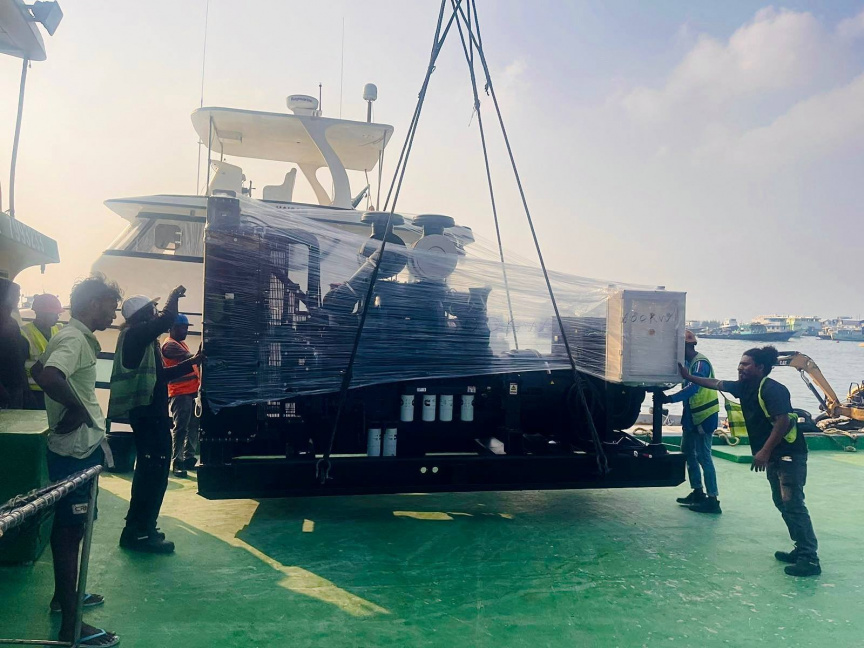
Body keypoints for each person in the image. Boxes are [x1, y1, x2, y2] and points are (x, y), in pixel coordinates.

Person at [31, 274, 122, 647]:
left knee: (71, 528)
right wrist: (79, 408)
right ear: (93, 303)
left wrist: (74, 405)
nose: (113, 315)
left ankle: (63, 597)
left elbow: (37, 369)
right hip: (76, 451)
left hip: (75, 448)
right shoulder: (74, 339)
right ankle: (71, 625)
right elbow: (50, 376)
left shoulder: (68, 336)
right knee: (70, 532)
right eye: (110, 307)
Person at [680, 346, 821, 577]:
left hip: (789, 455)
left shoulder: (773, 389)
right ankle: (801, 547)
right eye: (740, 363)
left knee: (793, 503)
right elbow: (715, 383)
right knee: (781, 502)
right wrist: (689, 377)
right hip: (774, 454)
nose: (740, 368)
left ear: (760, 367)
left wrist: (764, 452)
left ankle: (810, 558)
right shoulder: (743, 387)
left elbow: (783, 421)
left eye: (746, 364)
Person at [108, 287, 201, 553]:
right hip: (148, 416)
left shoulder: (144, 342)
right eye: (153, 309)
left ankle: (142, 527)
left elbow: (162, 377)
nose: (156, 312)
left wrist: (195, 360)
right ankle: (139, 532)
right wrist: (175, 295)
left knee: (154, 473)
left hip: (151, 415)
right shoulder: (135, 334)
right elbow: (167, 319)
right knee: (152, 474)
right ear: (143, 314)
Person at [660, 330, 721, 514]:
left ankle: (712, 499)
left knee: (703, 456)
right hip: (692, 415)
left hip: (705, 415)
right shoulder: (687, 363)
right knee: (687, 451)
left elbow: (694, 388)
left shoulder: (700, 364)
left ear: (684, 346)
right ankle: (698, 492)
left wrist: (670, 399)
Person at [161, 313, 200, 478]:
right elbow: (192, 359)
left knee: (193, 426)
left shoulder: (181, 343)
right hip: (180, 392)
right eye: (182, 328)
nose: (185, 331)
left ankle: (189, 458)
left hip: (191, 392)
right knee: (181, 427)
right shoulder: (170, 345)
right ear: (172, 328)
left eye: (186, 328)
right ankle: (177, 461)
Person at [21, 293, 65, 409]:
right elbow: (19, 368)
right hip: (35, 391)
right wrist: (26, 393)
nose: (58, 317)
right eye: (55, 314)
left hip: (55, 390)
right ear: (42, 314)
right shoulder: (24, 333)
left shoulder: (60, 329)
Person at [0, 278, 31, 409]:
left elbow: (18, 360)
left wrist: (26, 389)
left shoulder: (12, 323)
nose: (18, 298)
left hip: (16, 387)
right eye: (15, 294)